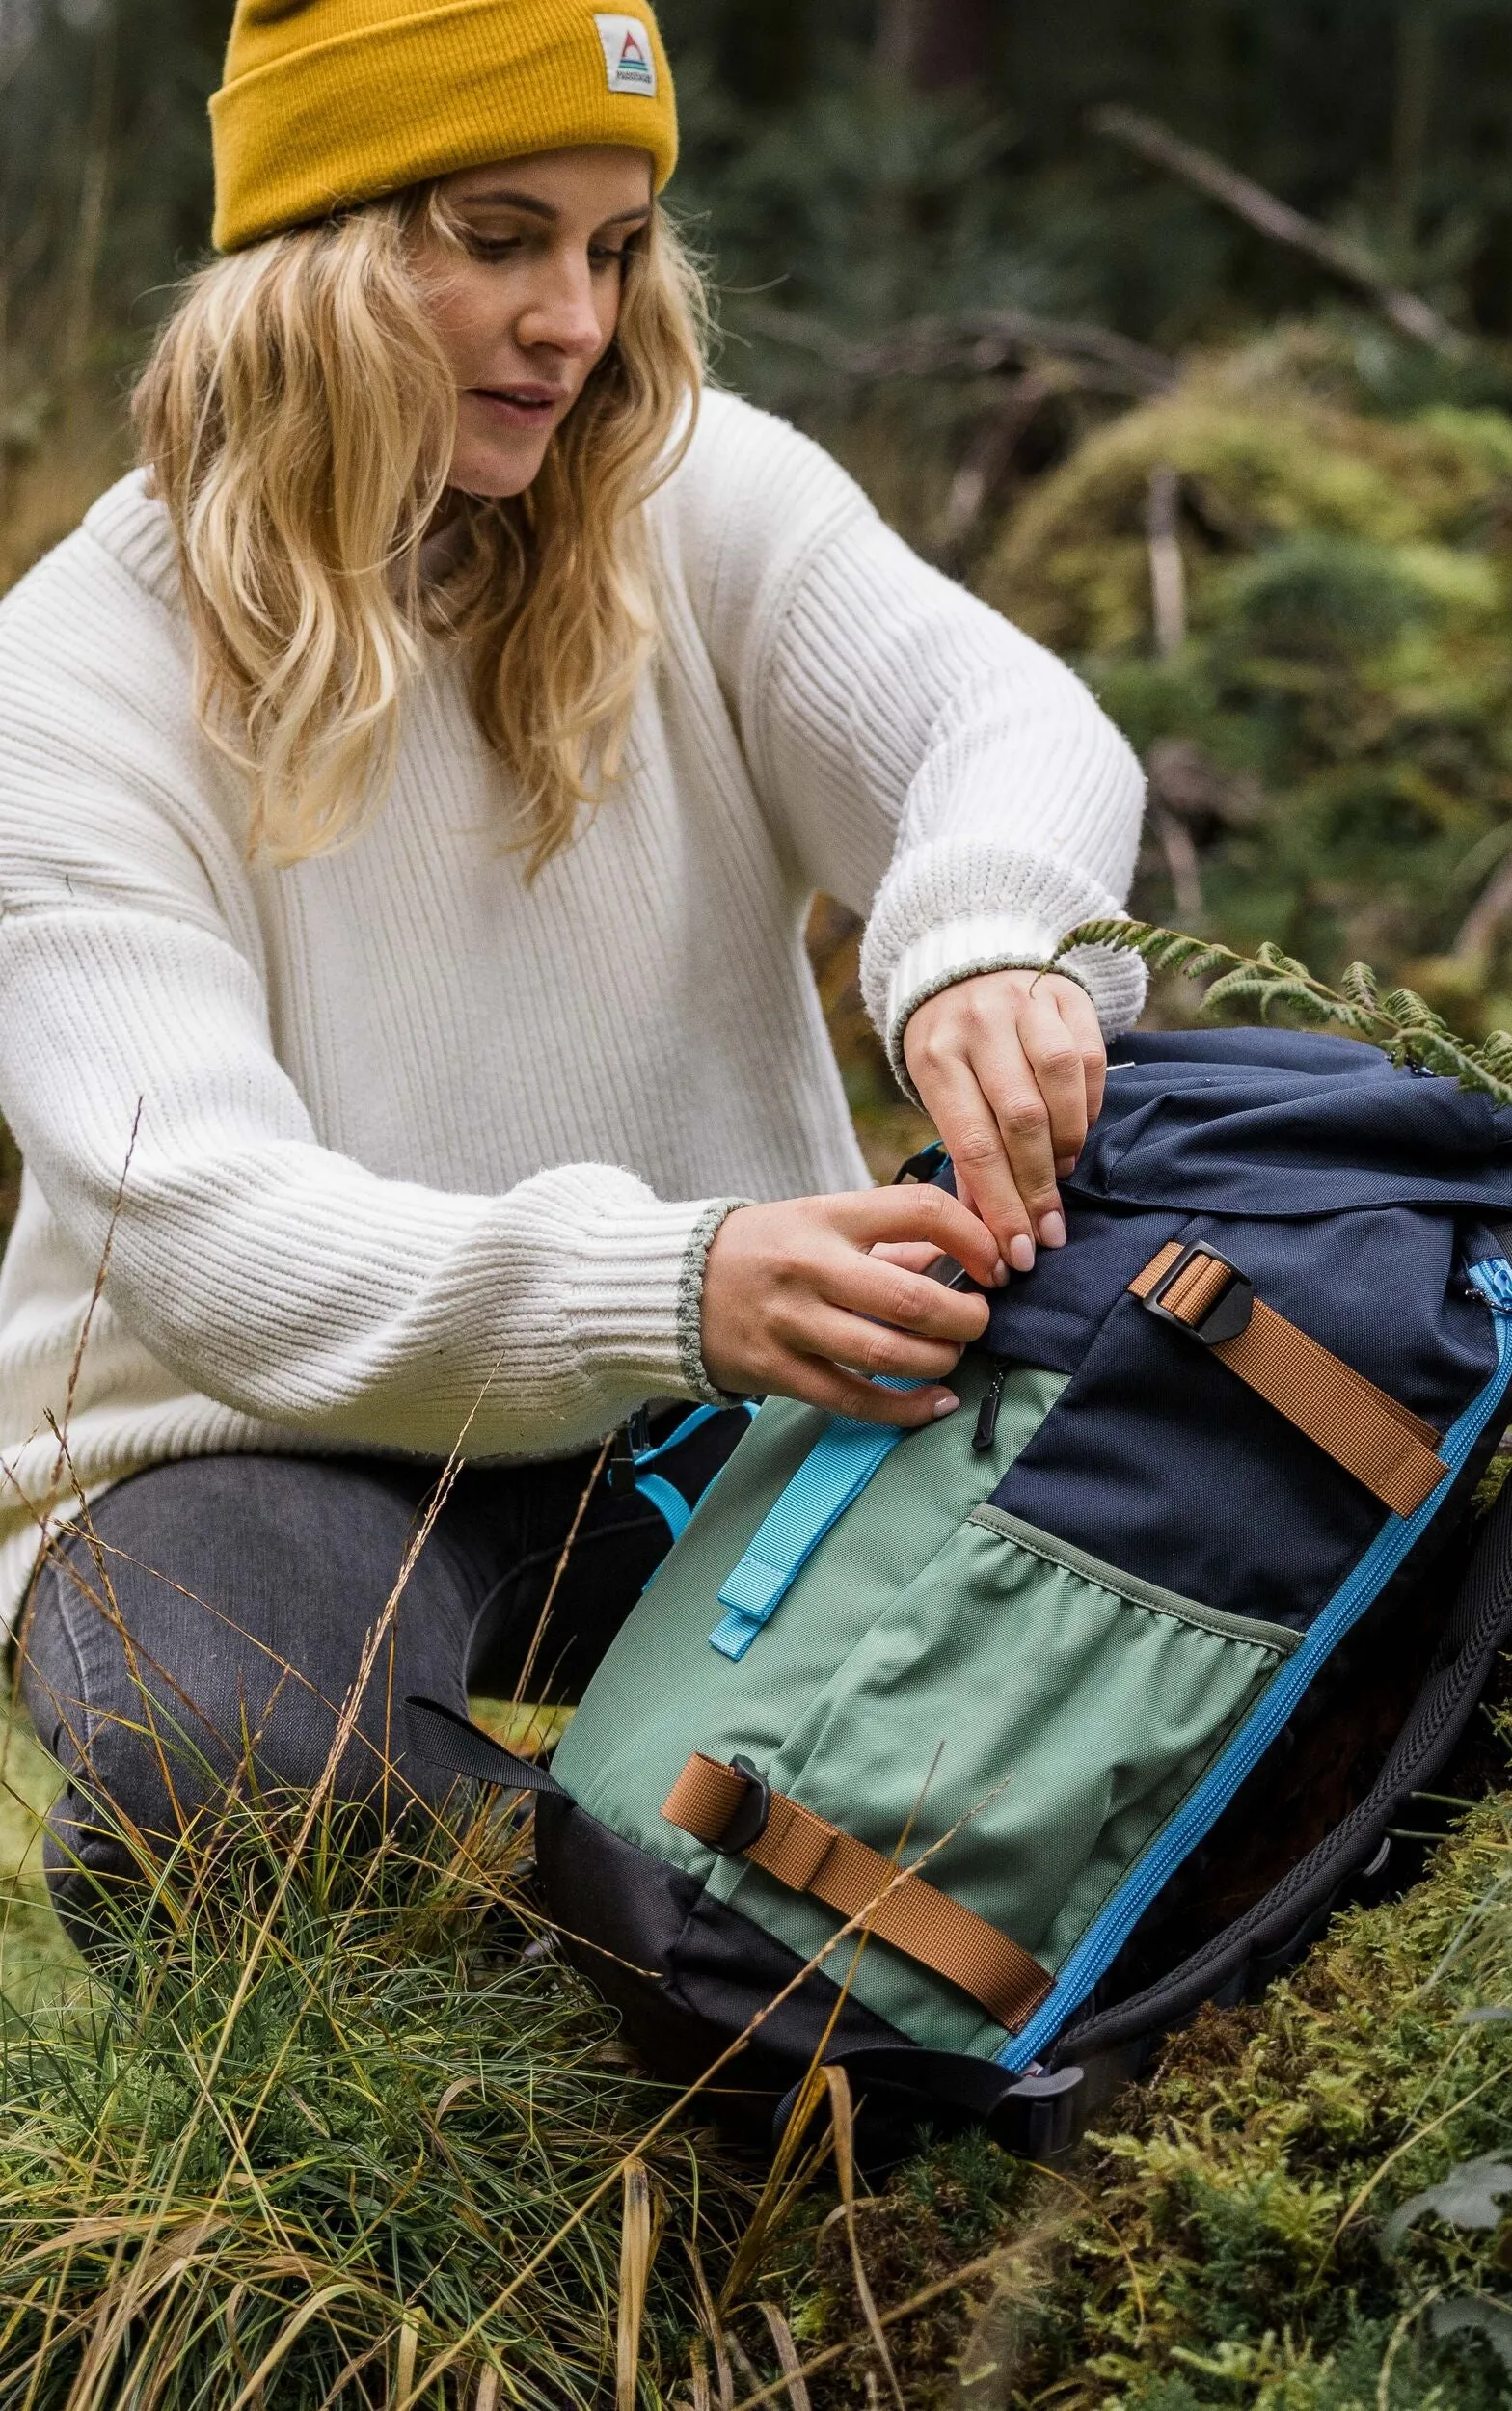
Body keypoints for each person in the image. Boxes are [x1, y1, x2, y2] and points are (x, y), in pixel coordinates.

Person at [0, 0, 1144, 1938]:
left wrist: (976, 944)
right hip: (253, 1442)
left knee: (1165, 1556)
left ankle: (776, 1955)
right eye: (502, 237)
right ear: (320, 265)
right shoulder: (66, 685)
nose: (576, 323)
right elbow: (194, 1226)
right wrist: (667, 1276)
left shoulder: (697, 497)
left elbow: (1009, 725)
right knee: (231, 1759)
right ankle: (693, 2008)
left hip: (724, 1388)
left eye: (615, 250)